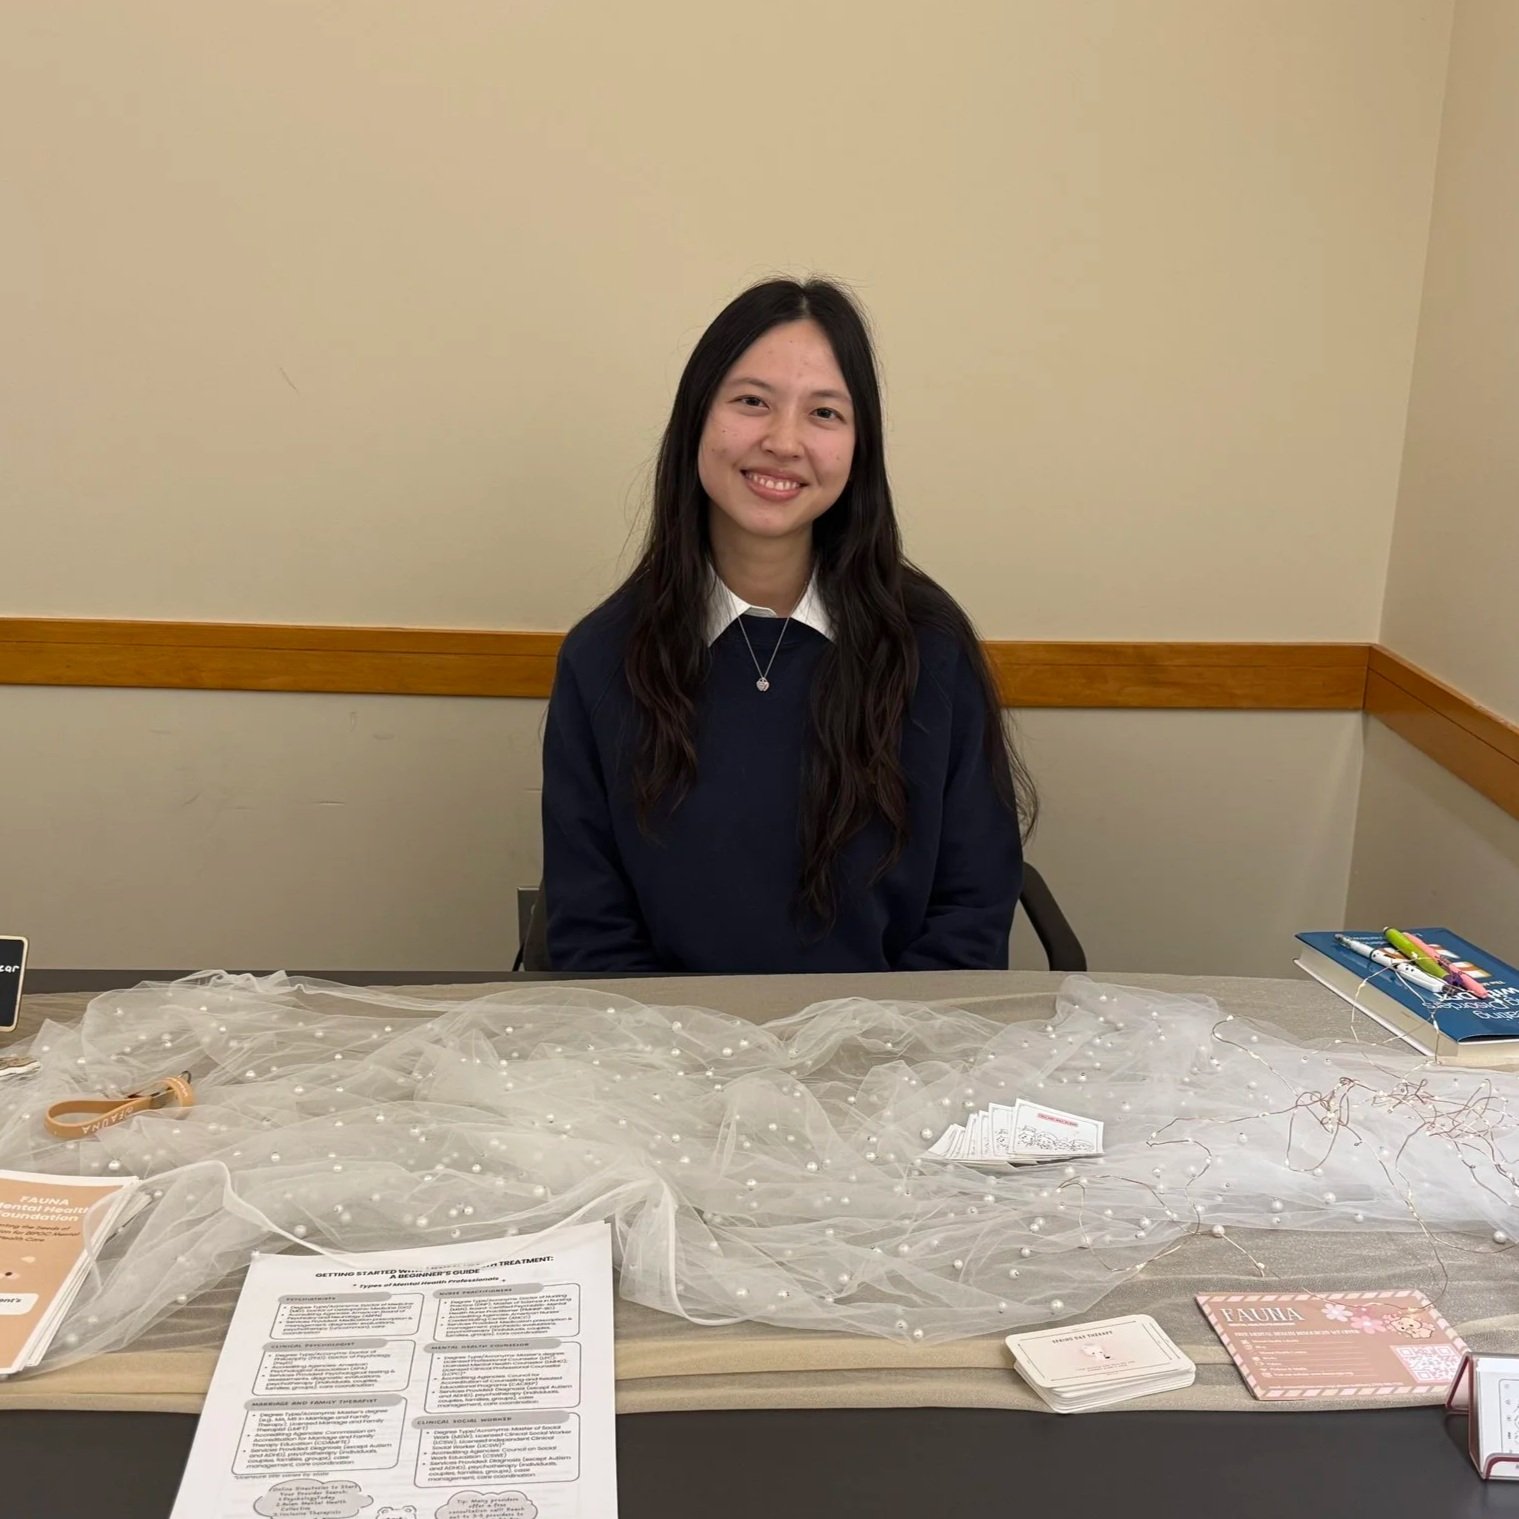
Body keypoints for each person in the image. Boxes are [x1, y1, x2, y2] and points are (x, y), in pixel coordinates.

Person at [541, 277, 1036, 973]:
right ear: (696, 419)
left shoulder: (929, 643)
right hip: (671, 1064)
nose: (783, 441)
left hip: (890, 1063)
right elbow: (592, 933)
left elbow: (971, 911)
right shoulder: (603, 655)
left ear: (858, 446)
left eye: (824, 413)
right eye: (751, 402)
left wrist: (873, 1064)